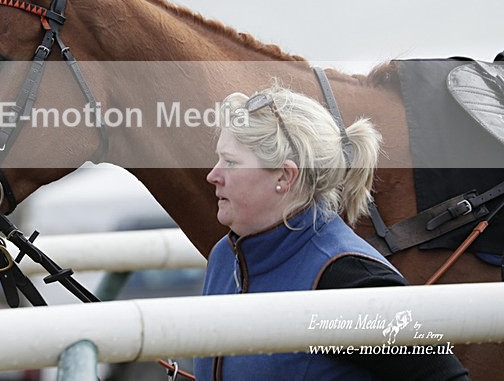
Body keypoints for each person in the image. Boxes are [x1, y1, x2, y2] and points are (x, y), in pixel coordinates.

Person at [193, 85, 468, 381]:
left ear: (285, 176)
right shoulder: (225, 256)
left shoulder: (348, 278)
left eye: (231, 162)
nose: (213, 175)